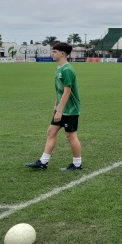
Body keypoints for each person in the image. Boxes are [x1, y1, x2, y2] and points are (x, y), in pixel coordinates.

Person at [26, 42, 83, 171]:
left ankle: (77, 164)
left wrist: (60, 110)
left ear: (62, 53)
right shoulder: (59, 68)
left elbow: (67, 91)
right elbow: (60, 91)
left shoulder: (67, 69)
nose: (53, 53)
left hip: (70, 110)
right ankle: (43, 162)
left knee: (71, 136)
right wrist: (56, 105)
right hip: (61, 108)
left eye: (55, 51)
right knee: (51, 132)